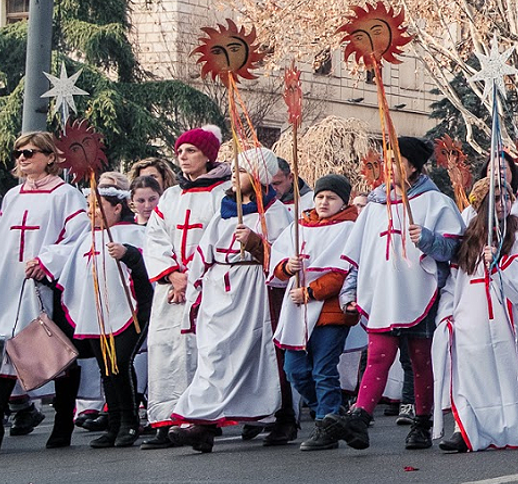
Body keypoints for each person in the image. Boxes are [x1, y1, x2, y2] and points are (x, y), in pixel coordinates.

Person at [0, 131, 88, 453]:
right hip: (6, 282)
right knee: (2, 349)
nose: (22, 158)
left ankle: (64, 422)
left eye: (30, 152)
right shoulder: (13, 196)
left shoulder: (66, 195)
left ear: (50, 157)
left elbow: (77, 236)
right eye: (19, 153)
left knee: (47, 349)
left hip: (40, 283)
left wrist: (46, 261)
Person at [338, 136, 463, 451]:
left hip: (421, 290)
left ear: (414, 166)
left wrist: (428, 239)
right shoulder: (375, 205)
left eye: (396, 160)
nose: (388, 167)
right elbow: (359, 255)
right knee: (378, 355)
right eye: (387, 160)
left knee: (420, 360)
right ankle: (360, 417)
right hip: (382, 292)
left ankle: (422, 422)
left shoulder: (437, 203)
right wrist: (350, 291)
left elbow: (454, 248)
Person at [169, 149, 295, 453]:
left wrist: (253, 242)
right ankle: (203, 423)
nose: (233, 177)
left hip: (253, 289)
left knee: (261, 354)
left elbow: (281, 258)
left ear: (257, 177)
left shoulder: (275, 212)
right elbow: (205, 251)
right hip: (219, 290)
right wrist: (197, 284)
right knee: (214, 355)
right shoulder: (225, 209)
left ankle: (283, 417)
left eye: (240, 172)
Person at [432, 177, 518, 451]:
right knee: (468, 377)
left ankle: (511, 426)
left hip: (502, 318)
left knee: (506, 374)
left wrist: (499, 263)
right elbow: (454, 283)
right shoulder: (466, 240)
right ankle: (463, 430)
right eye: (496, 199)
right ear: (481, 205)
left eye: (506, 198)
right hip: (468, 317)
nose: (503, 204)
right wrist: (447, 314)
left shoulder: (517, 235)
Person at [31, 175, 149, 449]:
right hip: (96, 314)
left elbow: (147, 272)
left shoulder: (136, 233)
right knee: (107, 369)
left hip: (128, 312)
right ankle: (114, 424)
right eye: (88, 206)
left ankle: (130, 423)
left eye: (97, 206)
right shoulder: (86, 239)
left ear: (117, 208)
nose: (90, 212)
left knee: (120, 363)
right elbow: (69, 275)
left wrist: (129, 254)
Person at [138, 128, 233, 446]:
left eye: (191, 150)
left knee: (202, 351)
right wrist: (171, 275)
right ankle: (166, 420)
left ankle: (201, 420)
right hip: (171, 288)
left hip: (207, 283)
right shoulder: (170, 196)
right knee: (166, 350)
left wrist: (192, 275)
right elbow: (155, 236)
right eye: (180, 151)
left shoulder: (225, 192)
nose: (183, 156)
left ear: (208, 155)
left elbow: (222, 235)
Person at [278, 175, 360, 452]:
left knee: (324, 370)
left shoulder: (349, 228)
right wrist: (287, 267)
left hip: (329, 311)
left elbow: (343, 271)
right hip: (297, 310)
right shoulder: (299, 226)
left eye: (331, 198)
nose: (324, 202)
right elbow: (278, 263)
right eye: (320, 196)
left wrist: (312, 292)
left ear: (343, 202)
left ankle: (327, 422)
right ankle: (334, 414)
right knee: (295, 369)